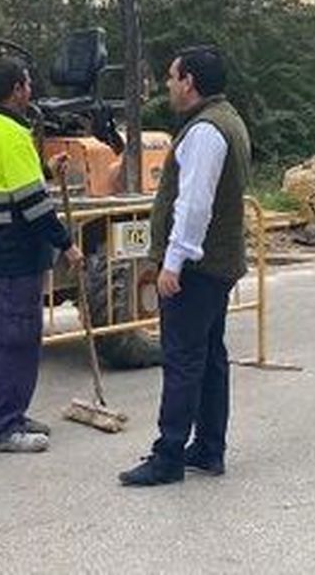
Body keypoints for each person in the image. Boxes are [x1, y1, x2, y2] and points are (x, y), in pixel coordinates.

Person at [120, 46, 250, 487]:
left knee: (182, 360)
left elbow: (194, 205)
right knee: (210, 356)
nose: (169, 86)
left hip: (197, 267)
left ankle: (169, 453)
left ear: (190, 81)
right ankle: (209, 447)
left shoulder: (204, 132)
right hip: (218, 262)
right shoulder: (227, 120)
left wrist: (172, 262)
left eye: (173, 77)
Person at [0, 57, 84, 453]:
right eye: (28, 84)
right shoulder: (13, 134)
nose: (31, 90)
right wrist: (66, 243)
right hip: (16, 255)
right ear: (17, 89)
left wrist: (46, 171)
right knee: (18, 340)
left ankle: (8, 413)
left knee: (1, 339)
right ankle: (2, 426)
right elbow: (33, 205)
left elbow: (9, 183)